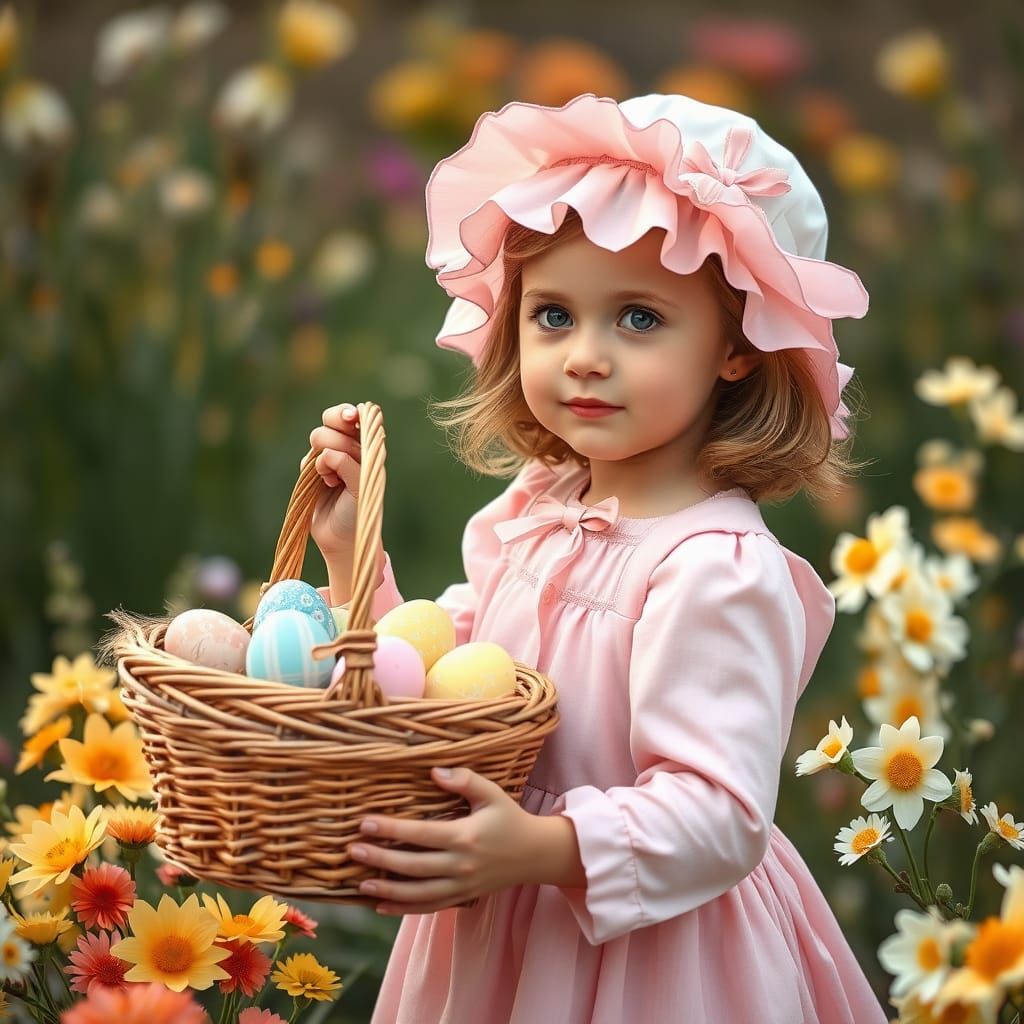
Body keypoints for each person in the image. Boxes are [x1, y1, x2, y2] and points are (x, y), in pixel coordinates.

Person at [305, 93, 887, 1023]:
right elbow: (450, 678)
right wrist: (351, 566)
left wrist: (540, 849)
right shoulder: (537, 509)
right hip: (502, 909)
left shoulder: (712, 566)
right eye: (553, 316)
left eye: (640, 320)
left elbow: (719, 815)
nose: (584, 356)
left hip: (650, 951)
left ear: (737, 345)